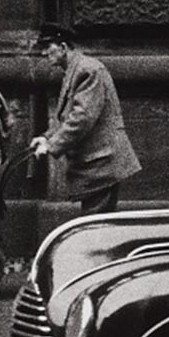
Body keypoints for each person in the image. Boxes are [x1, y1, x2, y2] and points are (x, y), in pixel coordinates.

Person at [29, 21, 141, 214]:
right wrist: (47, 137)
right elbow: (68, 116)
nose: (43, 53)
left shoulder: (88, 70)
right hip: (96, 164)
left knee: (95, 226)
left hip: (102, 163)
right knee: (95, 224)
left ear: (63, 47)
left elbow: (82, 118)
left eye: (48, 47)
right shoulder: (75, 70)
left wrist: (52, 145)